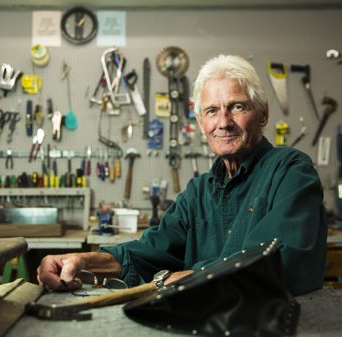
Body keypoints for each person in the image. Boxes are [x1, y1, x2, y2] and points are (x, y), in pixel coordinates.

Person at [37, 54, 327, 296]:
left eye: (237, 106)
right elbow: (150, 250)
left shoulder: (290, 170)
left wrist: (193, 276)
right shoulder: (198, 191)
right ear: (201, 124)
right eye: (212, 111)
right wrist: (81, 261)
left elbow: (280, 261)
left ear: (262, 114)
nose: (223, 122)